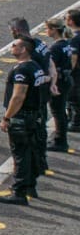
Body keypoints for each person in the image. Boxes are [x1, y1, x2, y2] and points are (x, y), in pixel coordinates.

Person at [0, 35, 47, 205]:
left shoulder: (23, 70)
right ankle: (30, 186)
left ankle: (19, 192)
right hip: (33, 116)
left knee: (20, 155)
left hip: (22, 118)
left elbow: (18, 96)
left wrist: (6, 117)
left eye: (15, 45)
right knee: (31, 152)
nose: (12, 46)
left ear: (23, 49)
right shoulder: (34, 66)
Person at [44, 17, 72, 152]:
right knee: (61, 111)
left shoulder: (55, 48)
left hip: (60, 82)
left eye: (47, 28)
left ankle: (61, 141)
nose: (46, 31)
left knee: (58, 111)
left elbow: (52, 69)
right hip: (67, 79)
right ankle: (60, 137)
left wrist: (52, 84)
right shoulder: (66, 44)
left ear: (54, 30)